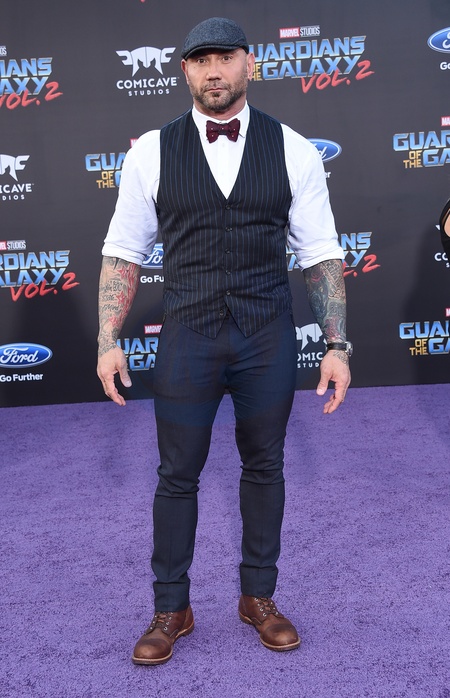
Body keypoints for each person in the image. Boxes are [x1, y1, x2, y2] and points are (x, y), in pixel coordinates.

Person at [97, 17, 351, 666]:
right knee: (176, 474)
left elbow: (320, 253)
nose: (214, 71)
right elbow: (123, 252)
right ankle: (171, 608)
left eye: (226, 58)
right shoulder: (150, 152)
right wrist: (108, 338)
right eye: (201, 60)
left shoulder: (294, 149)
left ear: (250, 64)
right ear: (185, 70)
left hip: (267, 336)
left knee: (265, 466)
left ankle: (258, 598)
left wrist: (337, 345)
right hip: (188, 336)